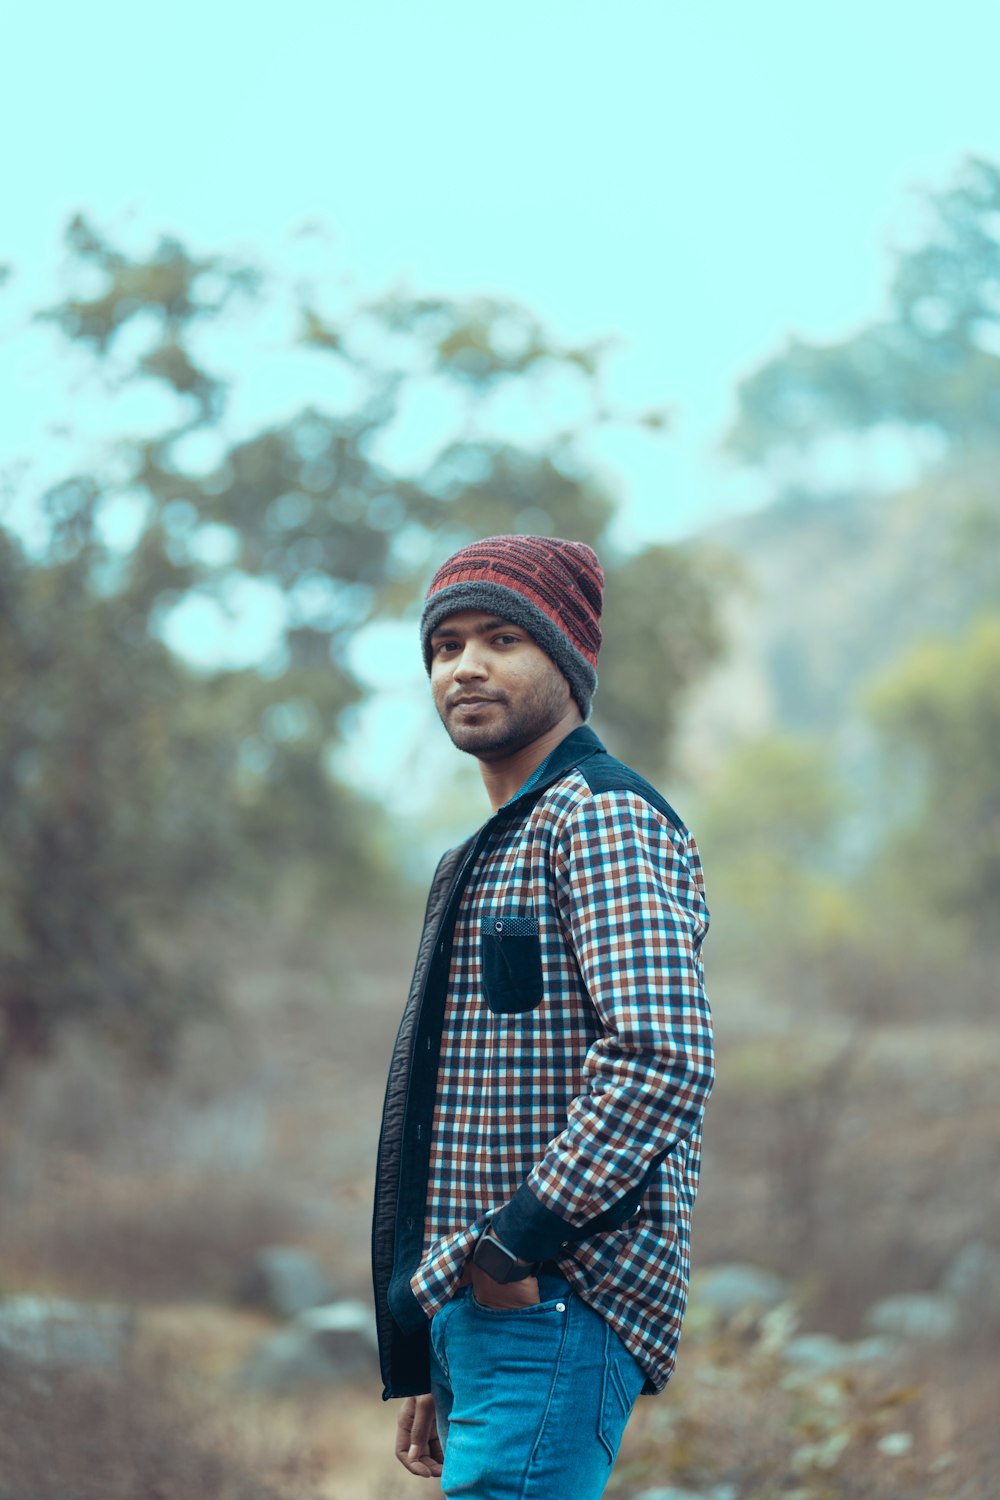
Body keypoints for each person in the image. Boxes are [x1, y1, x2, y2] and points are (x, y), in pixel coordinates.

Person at [372, 534, 714, 1499]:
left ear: (566, 663)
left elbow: (663, 1057)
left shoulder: (597, 816)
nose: (466, 665)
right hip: (492, 1315)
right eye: (445, 646)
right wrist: (438, 1331)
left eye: (503, 638)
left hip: (557, 1299)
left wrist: (509, 1250)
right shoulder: (488, 846)